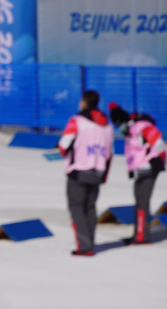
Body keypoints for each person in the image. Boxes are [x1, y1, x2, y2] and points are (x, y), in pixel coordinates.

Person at [57, 90, 114, 256]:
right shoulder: (107, 125)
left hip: (79, 170)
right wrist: (104, 175)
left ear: (84, 102)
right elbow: (110, 152)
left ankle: (84, 246)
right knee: (90, 207)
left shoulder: (77, 121)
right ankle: (90, 242)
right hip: (98, 170)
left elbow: (63, 145)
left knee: (76, 207)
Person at [108, 103, 167, 245]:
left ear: (124, 120)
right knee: (139, 202)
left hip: (149, 168)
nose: (119, 128)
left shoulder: (142, 126)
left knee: (142, 202)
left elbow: (159, 143)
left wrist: (151, 160)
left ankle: (143, 237)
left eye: (119, 124)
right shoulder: (131, 129)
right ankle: (138, 234)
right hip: (140, 170)